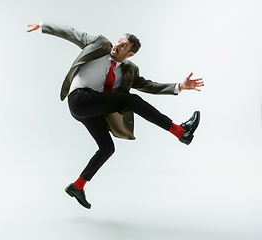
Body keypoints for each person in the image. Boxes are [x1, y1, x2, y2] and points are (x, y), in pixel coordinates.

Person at [27, 22, 204, 209]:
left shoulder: (129, 70)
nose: (117, 45)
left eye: (123, 46)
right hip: (79, 98)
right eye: (119, 41)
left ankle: (77, 186)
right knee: (132, 100)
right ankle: (180, 132)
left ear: (130, 54)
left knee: (107, 147)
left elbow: (149, 85)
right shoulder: (99, 43)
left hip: (91, 108)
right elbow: (72, 33)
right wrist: (42, 25)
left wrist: (179, 86)